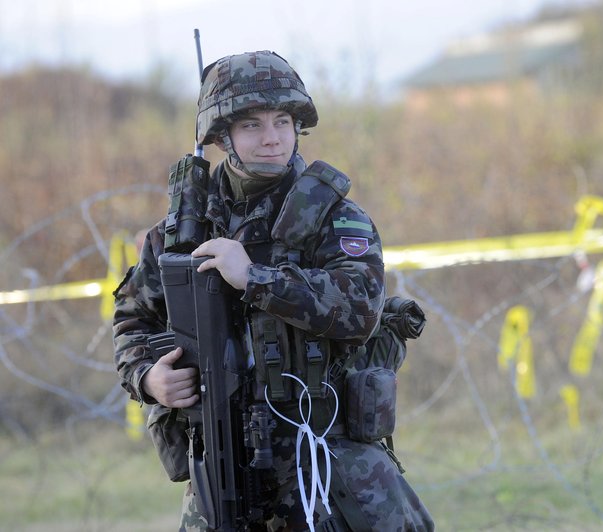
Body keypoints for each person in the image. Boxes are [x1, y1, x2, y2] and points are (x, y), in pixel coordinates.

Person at [113, 50, 434, 531]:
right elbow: (133, 321)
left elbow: (360, 310)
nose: (272, 138)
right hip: (222, 465)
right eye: (252, 126)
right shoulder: (180, 233)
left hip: (323, 464)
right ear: (221, 137)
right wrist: (148, 378)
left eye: (282, 121)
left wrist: (255, 279)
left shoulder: (333, 216)